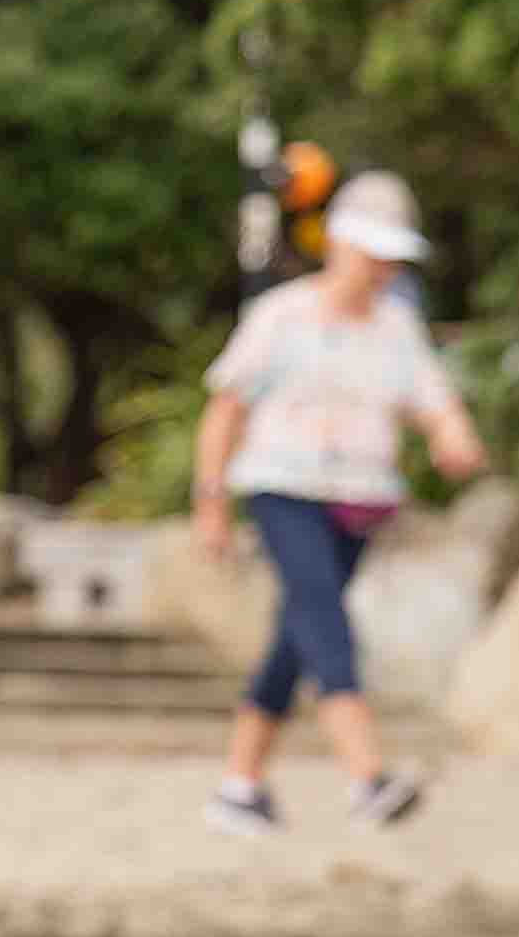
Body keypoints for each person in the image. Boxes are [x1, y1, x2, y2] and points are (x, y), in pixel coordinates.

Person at [190, 168, 490, 835]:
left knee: (294, 639)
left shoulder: (396, 328)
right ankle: (368, 779)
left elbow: (434, 401)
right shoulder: (281, 317)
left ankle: (239, 788)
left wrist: (454, 435)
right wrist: (210, 503)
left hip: (358, 499)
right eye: (372, 252)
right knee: (322, 615)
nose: (380, 268)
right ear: (341, 246)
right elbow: (224, 413)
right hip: (283, 487)